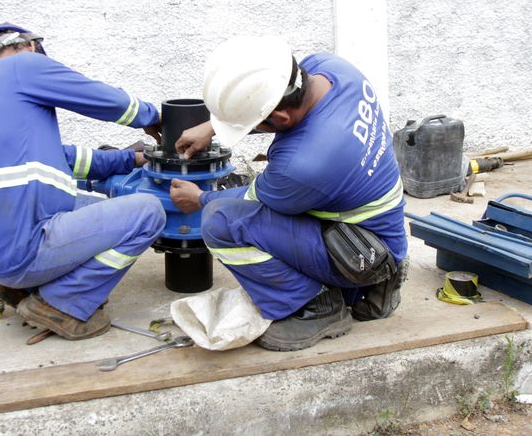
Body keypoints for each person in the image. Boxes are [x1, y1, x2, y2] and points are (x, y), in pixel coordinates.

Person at [169, 35, 408, 352]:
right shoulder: (331, 68)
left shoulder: (303, 166)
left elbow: (249, 204)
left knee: (220, 221)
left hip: (360, 253)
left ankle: (316, 306)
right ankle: (376, 284)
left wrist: (199, 198)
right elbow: (276, 106)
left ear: (280, 117)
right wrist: (213, 127)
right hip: (379, 228)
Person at [0, 23, 166, 340]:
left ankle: (16, 288)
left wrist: (130, 159)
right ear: (30, 46)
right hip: (25, 249)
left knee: (94, 205)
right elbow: (100, 98)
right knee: (147, 213)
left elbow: (65, 157)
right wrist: (155, 117)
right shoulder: (21, 66)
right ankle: (61, 303)